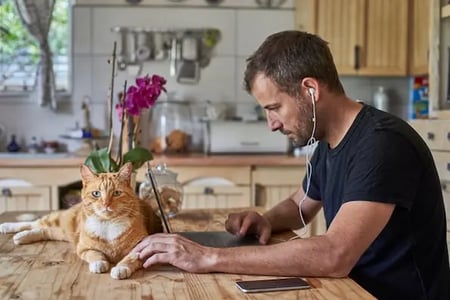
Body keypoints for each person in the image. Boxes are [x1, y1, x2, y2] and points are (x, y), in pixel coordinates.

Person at [133, 31, 450, 299]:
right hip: (349, 291)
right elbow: (300, 205)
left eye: (274, 108)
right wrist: (265, 220)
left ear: (310, 90)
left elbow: (335, 254)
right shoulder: (330, 141)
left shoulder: (383, 144)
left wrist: (208, 256)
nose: (271, 124)